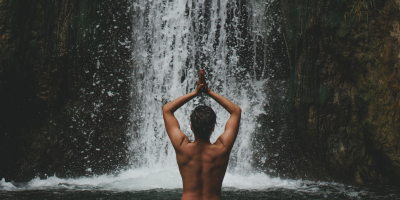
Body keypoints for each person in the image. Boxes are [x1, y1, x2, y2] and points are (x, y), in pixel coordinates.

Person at [162, 69, 241, 200]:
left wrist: (196, 92)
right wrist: (209, 92)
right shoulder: (222, 148)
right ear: (213, 128)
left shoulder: (182, 146)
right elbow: (236, 111)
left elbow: (167, 109)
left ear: (191, 126)